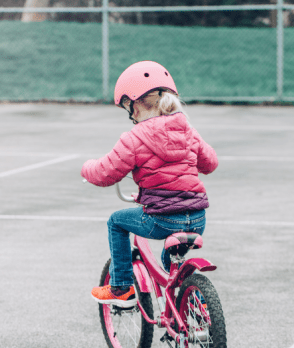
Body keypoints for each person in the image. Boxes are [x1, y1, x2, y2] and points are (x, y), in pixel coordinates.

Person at [81, 61, 219, 307]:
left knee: (116, 221)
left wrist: (86, 168)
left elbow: (105, 173)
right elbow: (210, 164)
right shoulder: (188, 130)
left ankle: (121, 288)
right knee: (173, 263)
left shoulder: (134, 138)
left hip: (162, 219)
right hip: (197, 218)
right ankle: (189, 303)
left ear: (132, 104)